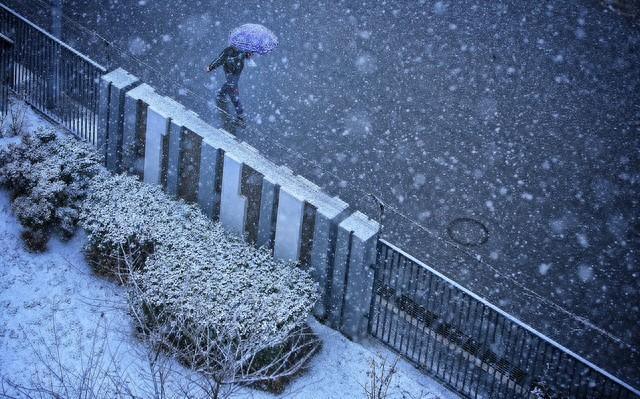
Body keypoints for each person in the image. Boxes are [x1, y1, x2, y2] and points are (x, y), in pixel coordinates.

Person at [205, 46, 252, 128]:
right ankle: (240, 116)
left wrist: (248, 54)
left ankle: (221, 93)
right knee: (233, 92)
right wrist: (211, 66)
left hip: (237, 72)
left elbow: (245, 55)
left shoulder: (243, 48)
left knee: (231, 86)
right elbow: (219, 60)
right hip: (229, 71)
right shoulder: (228, 51)